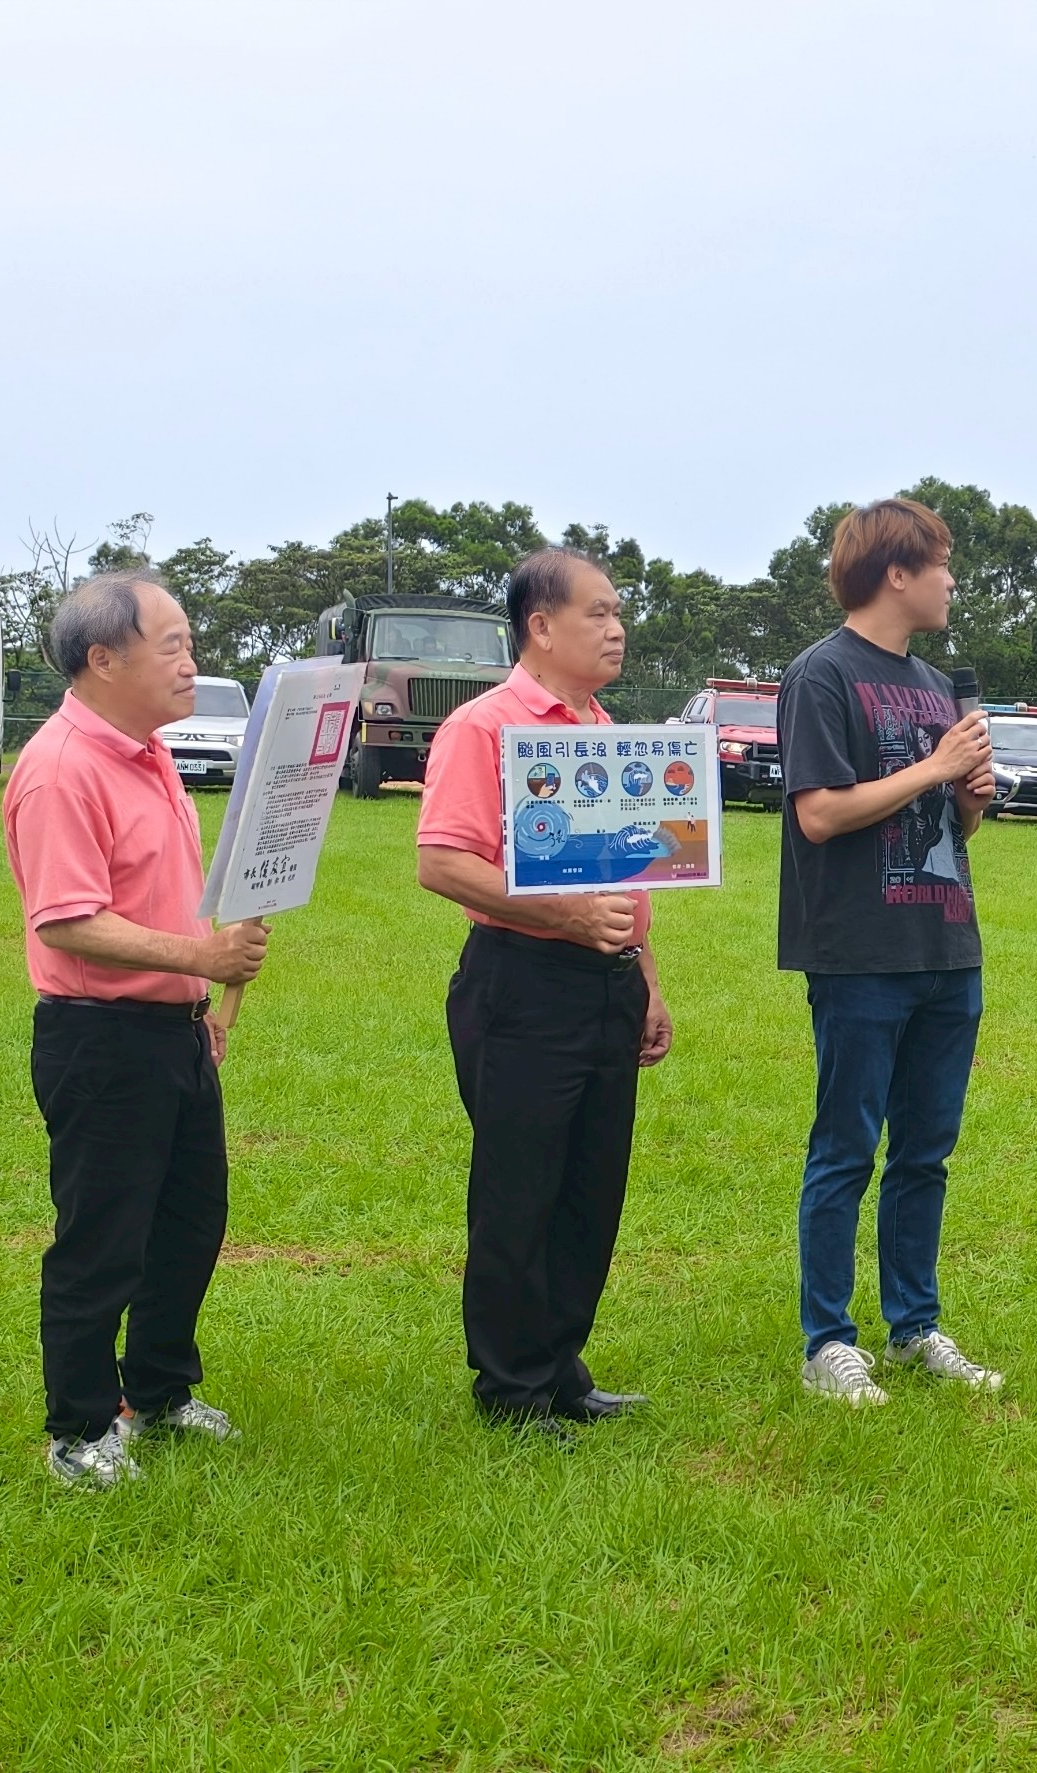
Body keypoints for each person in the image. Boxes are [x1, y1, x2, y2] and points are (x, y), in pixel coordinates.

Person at [2, 572, 270, 1488]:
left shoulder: (148, 752)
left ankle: (158, 1389)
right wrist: (202, 963)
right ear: (102, 657)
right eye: (173, 644)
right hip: (100, 1037)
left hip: (173, 1033)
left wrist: (207, 1001)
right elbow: (68, 920)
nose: (191, 661)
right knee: (103, 1236)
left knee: (190, 1222)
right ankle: (79, 1426)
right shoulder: (60, 768)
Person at [416, 548, 674, 1440]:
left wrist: (644, 979)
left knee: (589, 1188)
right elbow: (442, 861)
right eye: (598, 613)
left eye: (618, 614)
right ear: (541, 626)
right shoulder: (486, 729)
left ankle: (561, 1366)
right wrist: (564, 915)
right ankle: (511, 1388)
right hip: (523, 984)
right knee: (519, 1189)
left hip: (605, 982)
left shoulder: (600, 730)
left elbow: (625, 875)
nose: (617, 628)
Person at [778, 497, 1001, 1406]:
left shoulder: (939, 682)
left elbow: (952, 825)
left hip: (946, 946)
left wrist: (973, 793)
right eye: (941, 563)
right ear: (896, 572)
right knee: (846, 1149)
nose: (952, 580)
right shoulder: (821, 675)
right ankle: (827, 1340)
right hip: (859, 951)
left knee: (925, 1153)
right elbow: (820, 812)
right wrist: (938, 767)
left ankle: (915, 1326)